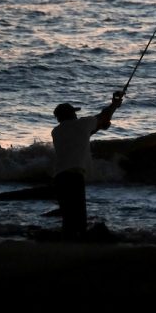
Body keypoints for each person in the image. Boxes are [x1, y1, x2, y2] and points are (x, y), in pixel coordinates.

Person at [51, 91, 123, 239]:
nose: (77, 115)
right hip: (74, 177)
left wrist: (103, 122)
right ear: (72, 114)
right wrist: (114, 104)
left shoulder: (56, 131)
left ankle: (67, 246)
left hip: (59, 178)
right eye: (74, 113)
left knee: (68, 220)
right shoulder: (82, 124)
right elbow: (103, 117)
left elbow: (91, 130)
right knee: (80, 220)